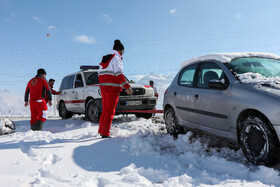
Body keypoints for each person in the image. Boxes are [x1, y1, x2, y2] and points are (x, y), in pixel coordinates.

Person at [98, 39, 132, 138]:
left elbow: (100, 74)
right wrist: (127, 86)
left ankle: (102, 130)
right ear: (120, 50)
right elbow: (118, 74)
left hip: (103, 88)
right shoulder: (116, 58)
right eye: (123, 51)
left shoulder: (105, 59)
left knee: (105, 111)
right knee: (110, 112)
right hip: (112, 89)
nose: (123, 53)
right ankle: (105, 133)